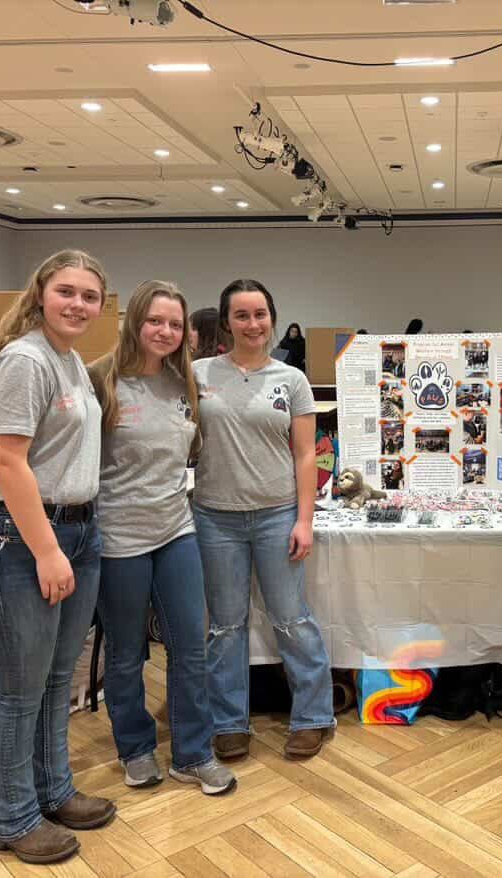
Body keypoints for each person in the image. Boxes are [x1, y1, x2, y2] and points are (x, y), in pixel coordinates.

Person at [0, 250, 115, 864]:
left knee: (57, 682)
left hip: (77, 532)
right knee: (20, 690)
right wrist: (48, 551)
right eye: (67, 292)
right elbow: (7, 459)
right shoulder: (27, 357)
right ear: (41, 293)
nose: (78, 304)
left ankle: (52, 791)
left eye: (90, 295)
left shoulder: (69, 360)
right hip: (29, 543)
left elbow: (19, 447)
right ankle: (11, 817)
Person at [88, 282, 237, 795]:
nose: (165, 332)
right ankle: (135, 747)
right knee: (127, 653)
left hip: (177, 530)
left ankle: (193, 753)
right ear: (134, 321)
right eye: (155, 321)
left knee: (190, 647)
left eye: (175, 325)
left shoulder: (183, 383)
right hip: (117, 539)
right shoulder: (99, 380)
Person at [192, 279, 335, 762]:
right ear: (226, 322)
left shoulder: (291, 380)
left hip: (277, 515)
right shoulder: (197, 374)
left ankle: (314, 715)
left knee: (292, 618)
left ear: (273, 317)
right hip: (215, 518)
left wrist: (304, 520)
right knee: (225, 627)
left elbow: (304, 457)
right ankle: (229, 722)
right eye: (242, 316)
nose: (253, 325)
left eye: (260, 314)